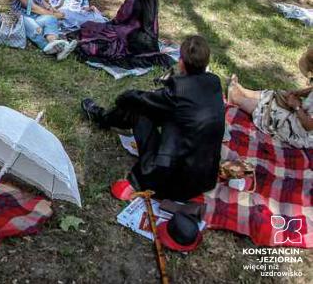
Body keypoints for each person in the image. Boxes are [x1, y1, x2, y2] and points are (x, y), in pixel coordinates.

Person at [82, 35, 225, 201]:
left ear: (181, 62)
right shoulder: (214, 83)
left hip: (172, 183)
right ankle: (105, 118)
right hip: (205, 179)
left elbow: (141, 99)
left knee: (140, 110)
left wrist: (123, 97)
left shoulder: (179, 89)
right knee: (162, 111)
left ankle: (102, 117)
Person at [75, 0, 174, 69]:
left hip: (129, 36)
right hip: (149, 40)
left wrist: (111, 24)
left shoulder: (133, 0)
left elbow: (120, 19)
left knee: (90, 28)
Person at [228, 45, 313, 149]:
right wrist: (298, 93)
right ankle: (243, 91)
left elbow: (309, 125)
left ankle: (236, 98)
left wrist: (297, 106)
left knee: (272, 110)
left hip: (301, 132)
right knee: (276, 95)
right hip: (301, 118)